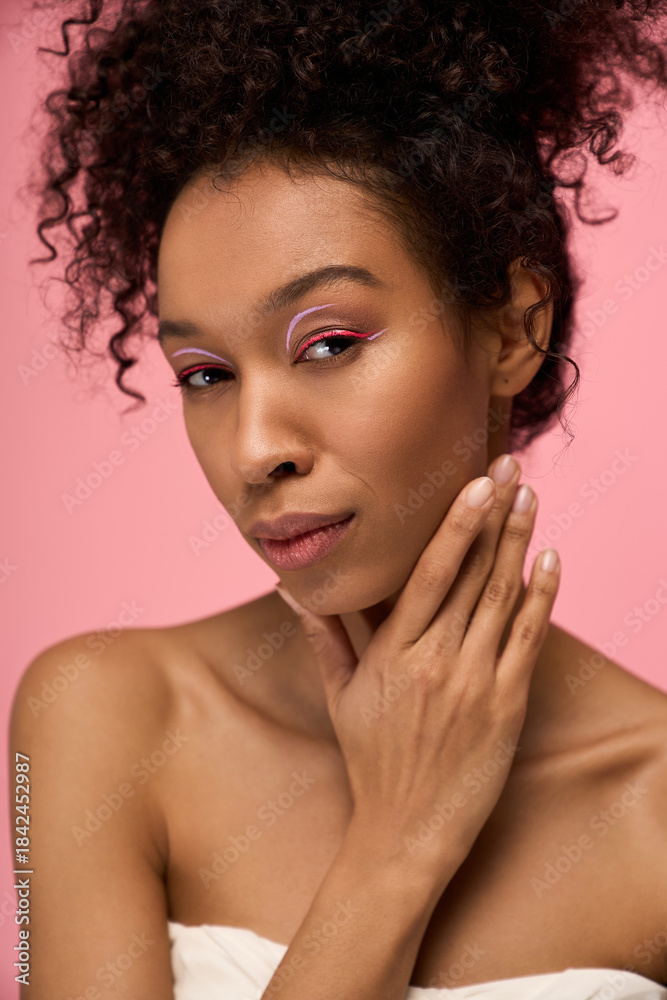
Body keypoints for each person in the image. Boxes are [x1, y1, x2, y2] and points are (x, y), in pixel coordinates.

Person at [10, 1, 667, 998]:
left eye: (328, 345)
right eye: (203, 372)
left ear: (513, 329)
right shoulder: (103, 716)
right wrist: (397, 848)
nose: (255, 448)